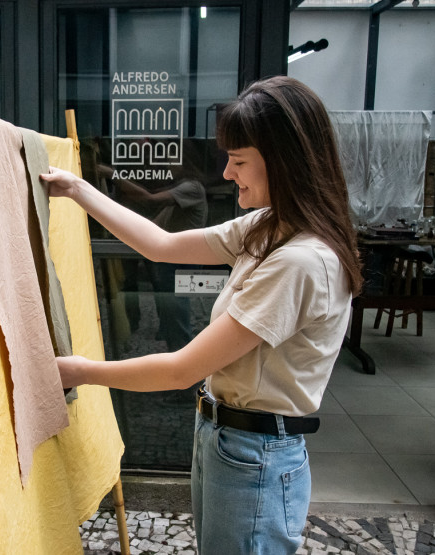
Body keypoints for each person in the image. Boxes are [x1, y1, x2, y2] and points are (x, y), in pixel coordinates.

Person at [40, 75, 362, 554]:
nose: (227, 174)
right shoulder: (269, 226)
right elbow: (161, 244)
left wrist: (78, 371)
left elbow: (181, 369)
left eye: (239, 161)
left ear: (284, 162)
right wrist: (77, 188)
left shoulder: (299, 261)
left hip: (255, 452)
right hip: (225, 437)